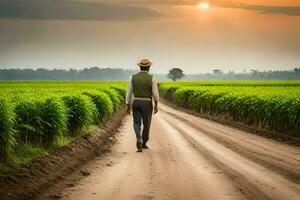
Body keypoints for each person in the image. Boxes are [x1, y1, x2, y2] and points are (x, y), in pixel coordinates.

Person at [125, 58, 159, 152]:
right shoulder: (152, 78)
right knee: (146, 124)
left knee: (136, 122)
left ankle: (139, 137)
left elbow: (129, 92)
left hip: (136, 102)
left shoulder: (132, 77)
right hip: (147, 103)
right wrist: (156, 105)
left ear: (140, 67)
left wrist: (127, 105)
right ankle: (143, 143)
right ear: (149, 68)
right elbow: (155, 94)